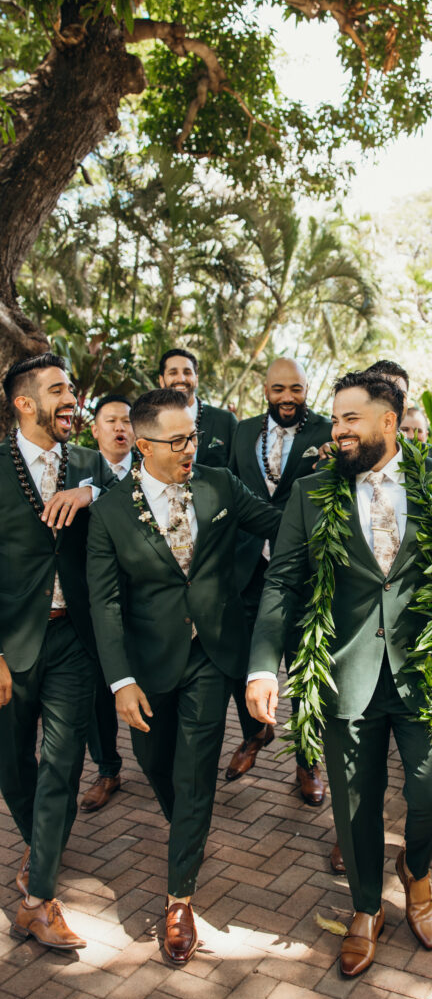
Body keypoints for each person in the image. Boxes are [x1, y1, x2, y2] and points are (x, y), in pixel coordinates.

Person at [246, 371, 432, 976]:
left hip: (430, 671)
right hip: (344, 672)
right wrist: (265, 664)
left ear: (388, 423)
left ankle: (416, 871)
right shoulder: (311, 492)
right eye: (335, 419)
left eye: (348, 419)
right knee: (355, 805)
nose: (335, 430)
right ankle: (365, 908)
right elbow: (282, 581)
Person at [86, 389, 281, 965]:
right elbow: (105, 604)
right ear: (143, 445)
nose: (190, 448)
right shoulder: (112, 512)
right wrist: (121, 682)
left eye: (193, 436)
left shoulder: (219, 485)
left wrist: (342, 488)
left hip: (211, 655)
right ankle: (187, 835)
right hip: (146, 667)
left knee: (195, 773)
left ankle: (178, 900)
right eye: (177, 441)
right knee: (157, 767)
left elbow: (281, 521)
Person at [0, 353, 114, 950]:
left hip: (74, 637)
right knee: (12, 764)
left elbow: (129, 487)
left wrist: (91, 490)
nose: (71, 400)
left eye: (71, 389)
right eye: (58, 391)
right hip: (9, 642)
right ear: (24, 403)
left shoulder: (92, 464)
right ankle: (37, 844)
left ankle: (40, 896)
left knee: (63, 765)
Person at [225, 358, 332, 804]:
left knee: (305, 668)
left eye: (296, 388)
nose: (287, 397)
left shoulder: (326, 431)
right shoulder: (243, 430)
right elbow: (231, 487)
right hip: (246, 567)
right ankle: (255, 734)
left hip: (303, 570)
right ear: (264, 389)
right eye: (278, 389)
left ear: (307, 388)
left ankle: (308, 762)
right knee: (243, 660)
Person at [80, 394, 134, 814]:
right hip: (96, 601)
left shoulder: (152, 470)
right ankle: (107, 767)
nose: (120, 427)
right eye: (110, 420)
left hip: (145, 600)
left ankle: (160, 759)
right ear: (94, 429)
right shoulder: (77, 471)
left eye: (127, 421)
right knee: (100, 688)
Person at [158, 348, 237, 468]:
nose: (181, 379)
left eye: (187, 372)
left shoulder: (226, 421)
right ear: (162, 380)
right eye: (173, 373)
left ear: (196, 380)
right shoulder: (150, 421)